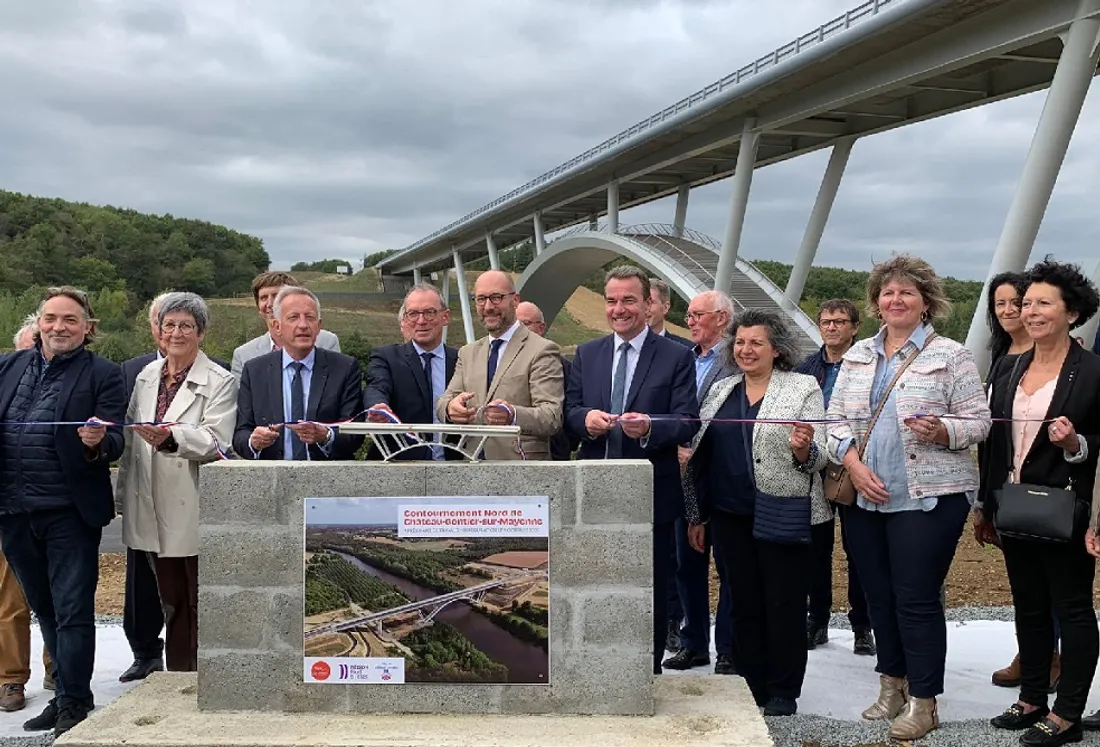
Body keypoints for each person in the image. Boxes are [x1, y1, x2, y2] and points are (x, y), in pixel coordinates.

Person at [826, 255, 990, 742]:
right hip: (865, 496)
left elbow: (979, 423)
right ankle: (891, 684)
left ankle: (924, 701)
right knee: (878, 596)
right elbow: (832, 420)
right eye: (888, 293)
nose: (896, 300)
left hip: (929, 498)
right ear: (876, 303)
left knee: (916, 598)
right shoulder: (857, 355)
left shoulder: (952, 355)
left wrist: (943, 430)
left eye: (907, 293)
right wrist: (853, 464)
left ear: (926, 302)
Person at [683, 308, 828, 716]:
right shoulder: (721, 389)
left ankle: (783, 689)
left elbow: (821, 456)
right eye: (740, 342)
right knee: (743, 602)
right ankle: (751, 682)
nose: (746, 350)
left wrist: (803, 448)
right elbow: (702, 452)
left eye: (756, 343)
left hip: (782, 511)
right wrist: (698, 514)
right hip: (728, 515)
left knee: (783, 603)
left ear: (776, 348)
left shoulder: (802, 388)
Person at [981, 259, 1100, 746]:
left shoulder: (1093, 372)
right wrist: (986, 504)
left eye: (1042, 303)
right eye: (1026, 303)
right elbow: (994, 442)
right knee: (1028, 606)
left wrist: (1076, 444)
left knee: (1072, 609)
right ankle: (1032, 697)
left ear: (1071, 313)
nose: (1029, 311)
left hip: (1066, 509)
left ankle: (1068, 713)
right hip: (1014, 505)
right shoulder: (1008, 367)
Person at [0, 287, 127, 735]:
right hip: (13, 510)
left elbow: (116, 438)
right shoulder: (9, 366)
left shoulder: (104, 374)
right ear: (38, 323)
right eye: (51, 318)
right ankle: (65, 696)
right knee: (45, 609)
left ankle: (74, 702)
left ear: (87, 328)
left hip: (68, 512)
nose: (59, 327)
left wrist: (97, 443)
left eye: (70, 320)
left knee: (72, 610)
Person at [565, 266, 699, 675]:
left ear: (647, 304)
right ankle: (595, 668)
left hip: (650, 494)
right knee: (594, 581)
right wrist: (586, 419)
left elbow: (687, 421)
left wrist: (651, 427)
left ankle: (646, 671)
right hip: (595, 491)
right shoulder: (588, 353)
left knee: (649, 585)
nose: (618, 309)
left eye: (628, 300)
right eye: (611, 301)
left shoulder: (676, 356)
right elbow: (569, 412)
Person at [116, 292, 238, 673]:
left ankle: (206, 675)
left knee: (200, 598)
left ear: (201, 333)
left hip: (192, 502)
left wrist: (172, 438)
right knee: (170, 599)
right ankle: (180, 677)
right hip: (150, 503)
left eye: (186, 325)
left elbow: (217, 440)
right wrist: (123, 497)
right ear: (158, 331)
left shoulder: (220, 380)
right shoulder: (145, 377)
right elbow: (130, 444)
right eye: (169, 325)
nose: (176, 333)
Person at [974, 273, 1062, 691]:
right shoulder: (1002, 357)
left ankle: (1048, 657)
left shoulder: (1057, 359)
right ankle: (1034, 654)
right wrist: (984, 501)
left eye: (1018, 301)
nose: (1010, 311)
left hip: (1044, 487)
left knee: (1052, 582)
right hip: (1003, 481)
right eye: (1001, 304)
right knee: (1024, 582)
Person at [794, 299, 875, 657]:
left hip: (856, 465)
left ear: (855, 327)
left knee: (859, 550)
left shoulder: (868, 366)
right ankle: (817, 620)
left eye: (840, 321)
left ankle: (862, 626)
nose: (831, 327)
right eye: (826, 321)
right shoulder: (806, 369)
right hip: (815, 467)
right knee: (816, 549)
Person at [665, 290, 737, 674]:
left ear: (722, 318)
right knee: (687, 565)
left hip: (722, 476)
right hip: (682, 477)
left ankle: (728, 648)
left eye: (697, 315)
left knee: (728, 566)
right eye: (689, 315)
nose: (689, 321)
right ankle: (694, 644)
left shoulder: (738, 359)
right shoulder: (683, 359)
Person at [437, 271, 564, 460]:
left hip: (521, 468)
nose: (488, 307)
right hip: (472, 466)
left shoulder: (542, 350)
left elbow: (552, 417)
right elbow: (443, 402)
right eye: (481, 299)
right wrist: (450, 408)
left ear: (515, 300)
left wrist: (513, 415)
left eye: (496, 297)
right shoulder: (467, 353)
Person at [233, 287, 364, 461]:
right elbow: (240, 434)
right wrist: (254, 441)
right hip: (272, 474)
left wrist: (326, 436)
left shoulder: (344, 368)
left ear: (319, 326)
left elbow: (355, 433)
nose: (303, 325)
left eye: (310, 317)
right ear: (277, 326)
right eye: (293, 317)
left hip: (328, 472)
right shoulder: (255, 371)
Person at [0, 317, 56, 712]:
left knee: (61, 595)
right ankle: (10, 678)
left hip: (55, 507)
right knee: (10, 600)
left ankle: (59, 668)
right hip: (10, 507)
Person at [364, 284, 459, 460]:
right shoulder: (387, 357)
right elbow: (377, 386)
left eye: (429, 312)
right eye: (413, 314)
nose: (421, 321)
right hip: (399, 465)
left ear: (445, 317)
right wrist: (378, 406)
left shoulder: (461, 360)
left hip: (454, 465)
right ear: (405, 319)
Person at [231, 271, 340, 378]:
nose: (270, 304)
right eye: (263, 297)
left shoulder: (327, 342)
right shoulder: (243, 355)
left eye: (276, 296)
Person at [515, 301, 579, 462]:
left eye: (526, 323)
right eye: (515, 324)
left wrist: (564, 444)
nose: (519, 329)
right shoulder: (499, 363)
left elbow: (572, 407)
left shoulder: (562, 365)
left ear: (541, 328)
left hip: (553, 454)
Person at [648, 278, 692, 347]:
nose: (644, 308)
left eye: (651, 302)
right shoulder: (628, 345)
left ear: (666, 307)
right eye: (641, 302)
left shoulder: (686, 348)